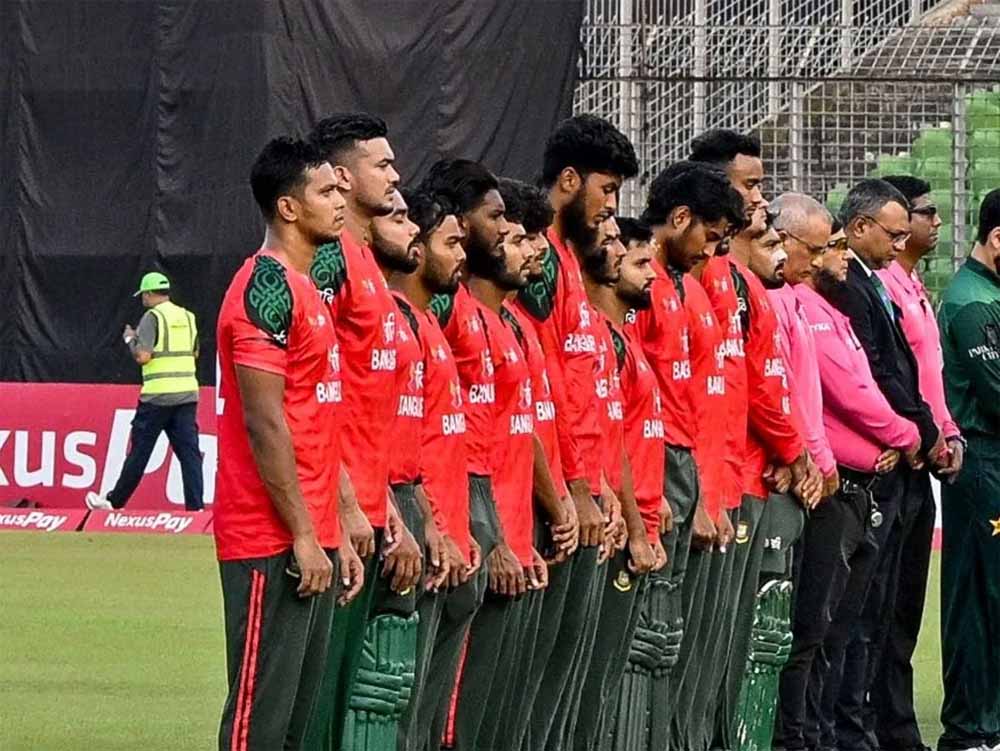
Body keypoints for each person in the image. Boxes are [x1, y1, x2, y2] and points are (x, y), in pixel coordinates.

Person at [213, 136, 363, 751]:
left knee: (298, 723)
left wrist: (338, 524)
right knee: (260, 718)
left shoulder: (308, 291)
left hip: (312, 531)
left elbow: (318, 420)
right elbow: (265, 422)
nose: (340, 200)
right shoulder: (265, 287)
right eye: (326, 191)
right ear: (288, 208)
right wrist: (302, 533)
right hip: (267, 536)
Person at [691, 130, 820, 751]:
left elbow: (765, 385)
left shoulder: (745, 285)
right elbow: (751, 387)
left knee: (745, 639)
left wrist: (790, 452)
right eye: (752, 186)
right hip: (726, 482)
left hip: (748, 475)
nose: (761, 199)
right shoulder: (716, 280)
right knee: (710, 642)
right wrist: (793, 454)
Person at [514, 114, 639, 751]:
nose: (611, 206)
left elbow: (586, 392)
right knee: (534, 673)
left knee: (566, 670)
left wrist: (600, 484)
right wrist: (575, 489)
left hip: (578, 488)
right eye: (607, 189)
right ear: (569, 180)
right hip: (548, 495)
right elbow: (542, 390)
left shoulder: (566, 261)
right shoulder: (537, 259)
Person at [611, 163, 743, 751]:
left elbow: (700, 401)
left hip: (686, 465)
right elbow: (629, 399)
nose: (711, 252)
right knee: (643, 626)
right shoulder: (638, 287)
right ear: (680, 217)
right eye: (709, 236)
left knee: (668, 626)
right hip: (653, 465)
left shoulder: (688, 289)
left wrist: (706, 487)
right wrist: (653, 485)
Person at [305, 113, 423, 751]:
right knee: (315, 696)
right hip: (333, 511)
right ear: (344, 177)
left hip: (369, 509)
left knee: (348, 692)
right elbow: (316, 394)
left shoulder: (368, 266)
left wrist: (387, 510)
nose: (395, 175)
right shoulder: (329, 262)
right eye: (382, 164)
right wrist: (348, 502)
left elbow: (370, 405)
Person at [419, 158, 543, 750]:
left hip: (496, 519)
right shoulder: (445, 309)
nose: (507, 233)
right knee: (439, 707)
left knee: (488, 703)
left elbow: (504, 436)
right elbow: (448, 437)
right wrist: (479, 533)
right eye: (497, 220)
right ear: (461, 222)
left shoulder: (499, 321)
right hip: (459, 519)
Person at [824, 178, 946, 751]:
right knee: (854, 618)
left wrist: (932, 431)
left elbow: (906, 374)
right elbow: (868, 379)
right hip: (872, 467)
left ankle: (868, 727)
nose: (900, 245)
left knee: (883, 613)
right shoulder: (850, 287)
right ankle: (851, 730)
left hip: (902, 459)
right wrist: (914, 431)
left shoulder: (881, 283)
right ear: (859, 228)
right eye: (893, 234)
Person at [790, 214, 921, 751]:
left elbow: (859, 387)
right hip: (837, 486)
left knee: (841, 629)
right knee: (816, 632)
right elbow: (844, 395)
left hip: (858, 484)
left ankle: (826, 734)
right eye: (833, 246)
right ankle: (809, 737)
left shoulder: (828, 308)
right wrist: (906, 434)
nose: (842, 256)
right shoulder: (806, 309)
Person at [872, 175, 964, 751]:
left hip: (921, 452)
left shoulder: (910, 284)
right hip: (898, 455)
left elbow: (931, 379)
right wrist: (921, 434)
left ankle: (896, 727)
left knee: (904, 605)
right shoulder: (882, 286)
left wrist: (945, 431)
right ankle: (886, 729)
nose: (936, 220)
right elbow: (887, 377)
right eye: (925, 211)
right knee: (880, 609)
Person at [390, 188, 481, 751]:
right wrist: (434, 524)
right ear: (418, 250)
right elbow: (405, 443)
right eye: (451, 243)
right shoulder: (398, 322)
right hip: (417, 524)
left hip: (441, 529)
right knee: (396, 697)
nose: (461, 255)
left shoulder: (426, 325)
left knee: (421, 705)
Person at [494, 177, 579, 751]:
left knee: (519, 697)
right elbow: (497, 437)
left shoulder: (518, 325)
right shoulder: (466, 319)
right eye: (522, 239)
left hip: (526, 525)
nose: (536, 254)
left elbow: (538, 423)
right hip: (493, 530)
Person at [937, 188, 1000, 751]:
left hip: (988, 461)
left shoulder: (986, 294)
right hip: (982, 462)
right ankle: (972, 727)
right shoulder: (973, 303)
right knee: (981, 593)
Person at [85, 272, 204, 512]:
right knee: (189, 454)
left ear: (149, 293)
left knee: (139, 452)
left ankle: (115, 502)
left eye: (143, 295)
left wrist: (130, 339)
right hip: (187, 394)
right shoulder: (187, 316)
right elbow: (195, 353)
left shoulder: (152, 317)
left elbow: (143, 356)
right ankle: (195, 509)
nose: (142, 299)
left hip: (157, 396)